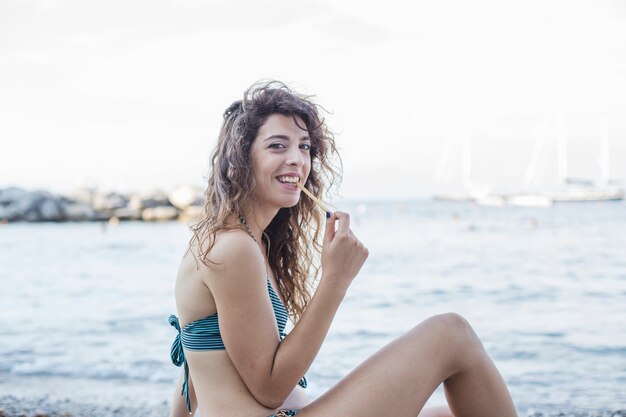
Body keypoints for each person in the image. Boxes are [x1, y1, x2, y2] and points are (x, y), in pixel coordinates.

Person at [168, 81, 519, 417]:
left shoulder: (248, 242)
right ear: (241, 159)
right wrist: (336, 279)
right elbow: (269, 389)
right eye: (278, 145)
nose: (296, 159)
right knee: (450, 333)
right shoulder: (234, 249)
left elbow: (195, 363)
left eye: (304, 146)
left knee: (447, 414)